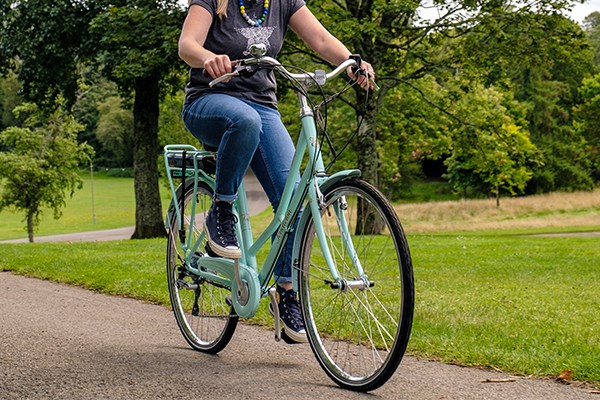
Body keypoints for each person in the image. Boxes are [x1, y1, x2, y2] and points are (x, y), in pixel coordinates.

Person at [178, 0, 375, 343]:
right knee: (244, 120)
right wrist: (208, 58)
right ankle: (221, 213)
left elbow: (322, 41)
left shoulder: (284, 2)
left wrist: (350, 62)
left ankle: (285, 289)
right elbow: (187, 45)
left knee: (296, 197)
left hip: (262, 107)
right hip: (209, 100)